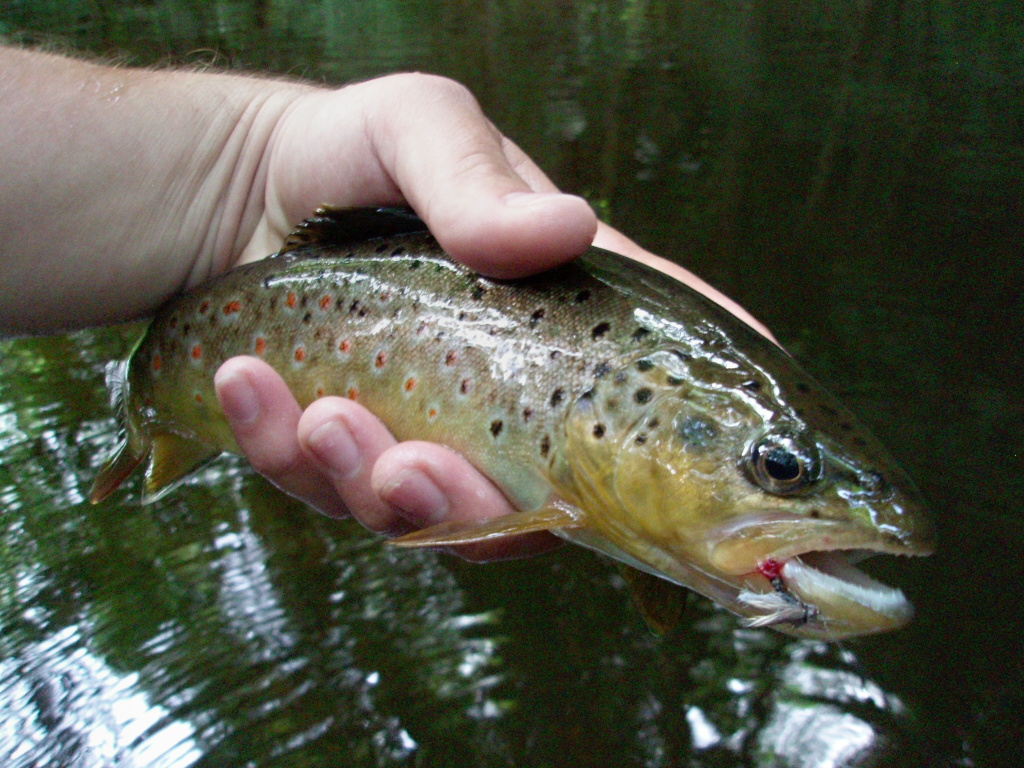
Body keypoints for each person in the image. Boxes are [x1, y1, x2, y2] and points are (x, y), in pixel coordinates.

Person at [0, 46, 773, 560]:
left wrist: (251, 167)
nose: (772, 481)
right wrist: (249, 170)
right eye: (777, 470)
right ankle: (156, 425)